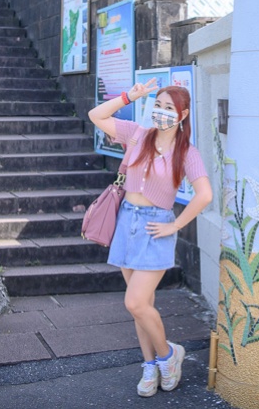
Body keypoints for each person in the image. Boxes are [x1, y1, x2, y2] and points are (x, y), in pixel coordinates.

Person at [88, 80, 213, 397]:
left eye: (169, 108)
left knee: (135, 301)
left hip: (156, 227)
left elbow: (204, 195)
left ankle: (169, 356)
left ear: (182, 115)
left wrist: (176, 226)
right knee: (140, 306)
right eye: (158, 105)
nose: (161, 112)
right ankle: (150, 364)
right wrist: (131, 96)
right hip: (126, 222)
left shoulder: (187, 152)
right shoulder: (137, 134)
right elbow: (96, 115)